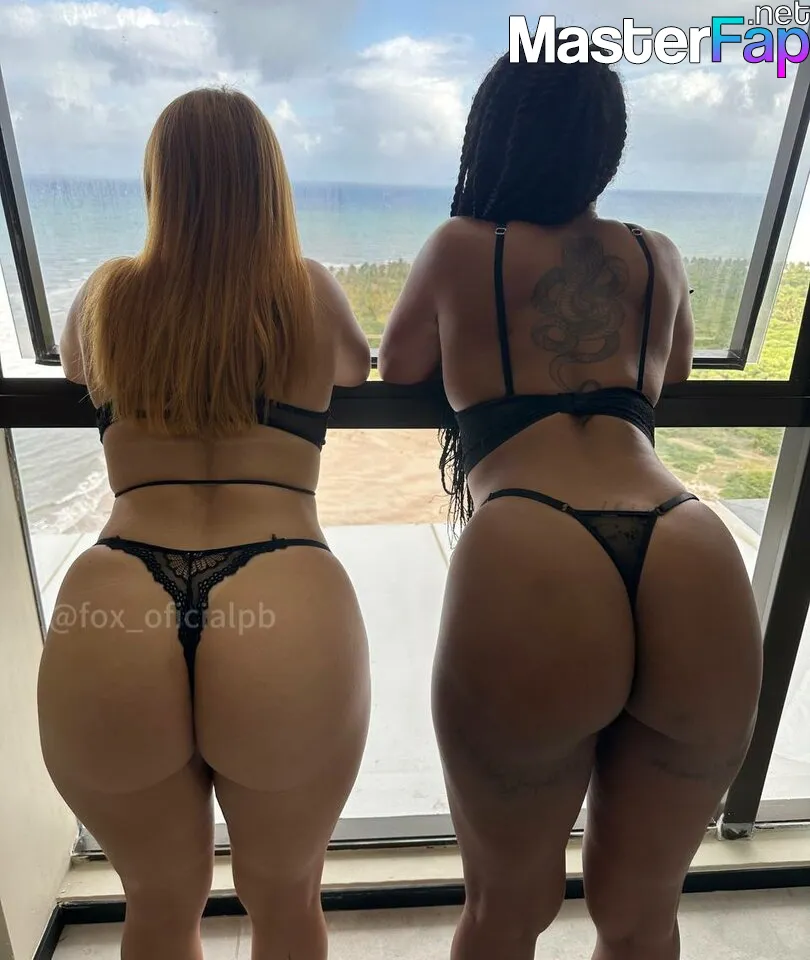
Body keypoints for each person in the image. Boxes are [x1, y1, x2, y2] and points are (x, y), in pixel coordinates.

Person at [378, 45, 762, 960]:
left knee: (505, 908)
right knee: (642, 913)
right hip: (687, 540)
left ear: (495, 136)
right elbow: (668, 374)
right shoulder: (659, 255)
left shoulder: (461, 248)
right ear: (606, 149)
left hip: (531, 540)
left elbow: (399, 367)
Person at [38, 88, 372, 960]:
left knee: (155, 904)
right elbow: (357, 368)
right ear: (270, 186)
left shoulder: (106, 294)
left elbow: (76, 368)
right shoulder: (309, 291)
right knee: (286, 898)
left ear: (159, 183)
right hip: (284, 586)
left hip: (117, 593)